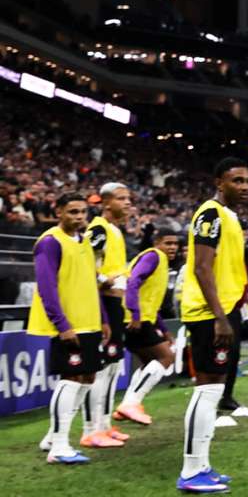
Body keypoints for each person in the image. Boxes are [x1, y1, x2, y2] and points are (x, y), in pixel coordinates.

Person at [176, 157, 248, 493]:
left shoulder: (231, 217)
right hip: (210, 315)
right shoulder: (210, 214)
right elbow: (202, 269)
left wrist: (241, 297)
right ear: (219, 182)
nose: (244, 187)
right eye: (236, 180)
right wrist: (221, 317)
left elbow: (222, 268)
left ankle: (202, 465)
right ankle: (191, 470)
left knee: (214, 388)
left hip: (223, 310)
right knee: (207, 387)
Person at [30, 194, 107, 464]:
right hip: (69, 324)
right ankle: (60, 446)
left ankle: (53, 435)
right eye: (72, 211)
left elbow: (91, 283)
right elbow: (46, 287)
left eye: (82, 212)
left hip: (90, 323)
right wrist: (62, 324)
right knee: (71, 378)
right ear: (58, 211)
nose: (78, 217)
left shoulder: (84, 241)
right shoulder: (50, 242)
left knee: (88, 378)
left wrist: (104, 319)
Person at [82, 182, 132, 448]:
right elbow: (86, 265)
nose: (128, 203)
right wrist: (105, 280)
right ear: (106, 202)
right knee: (101, 370)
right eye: (121, 198)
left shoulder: (115, 230)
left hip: (115, 304)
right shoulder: (99, 228)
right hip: (102, 303)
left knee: (113, 368)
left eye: (128, 198)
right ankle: (90, 429)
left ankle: (103, 424)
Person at [113, 228, 180, 425]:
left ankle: (127, 405)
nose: (173, 247)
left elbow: (151, 300)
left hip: (139, 318)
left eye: (175, 244)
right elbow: (133, 282)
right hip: (134, 319)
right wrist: (135, 313)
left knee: (147, 362)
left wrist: (165, 330)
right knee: (166, 356)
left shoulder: (160, 262)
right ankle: (131, 403)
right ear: (157, 242)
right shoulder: (153, 256)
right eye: (168, 243)